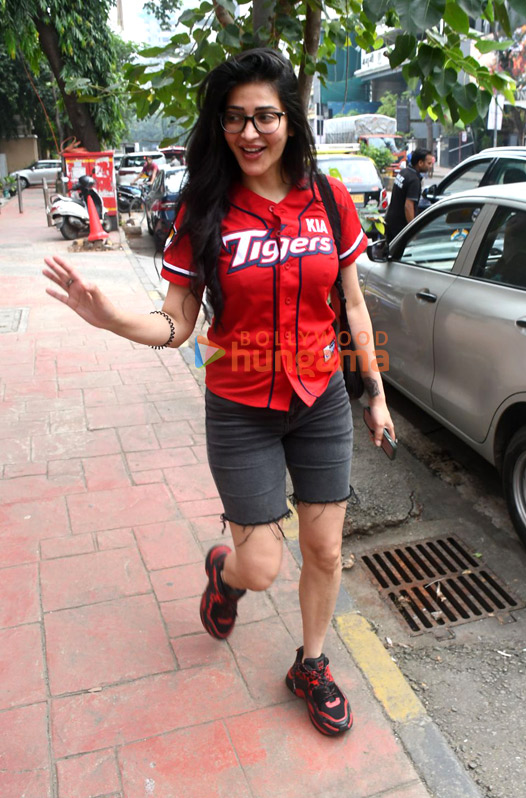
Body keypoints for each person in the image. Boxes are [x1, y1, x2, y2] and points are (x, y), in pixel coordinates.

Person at [43, 48, 395, 737]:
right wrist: (112, 316)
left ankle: (311, 664)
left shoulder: (326, 198)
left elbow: (350, 304)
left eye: (265, 115)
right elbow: (178, 323)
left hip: (320, 396)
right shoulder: (204, 208)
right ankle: (226, 574)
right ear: (220, 126)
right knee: (261, 566)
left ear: (290, 120)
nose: (250, 132)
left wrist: (374, 392)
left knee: (324, 551)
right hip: (240, 407)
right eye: (234, 119)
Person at [385, 147, 434, 241]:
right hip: (400, 228)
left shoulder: (404, 172)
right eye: (429, 163)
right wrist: (412, 230)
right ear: (420, 163)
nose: (431, 166)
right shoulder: (414, 180)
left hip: (391, 222)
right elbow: (408, 206)